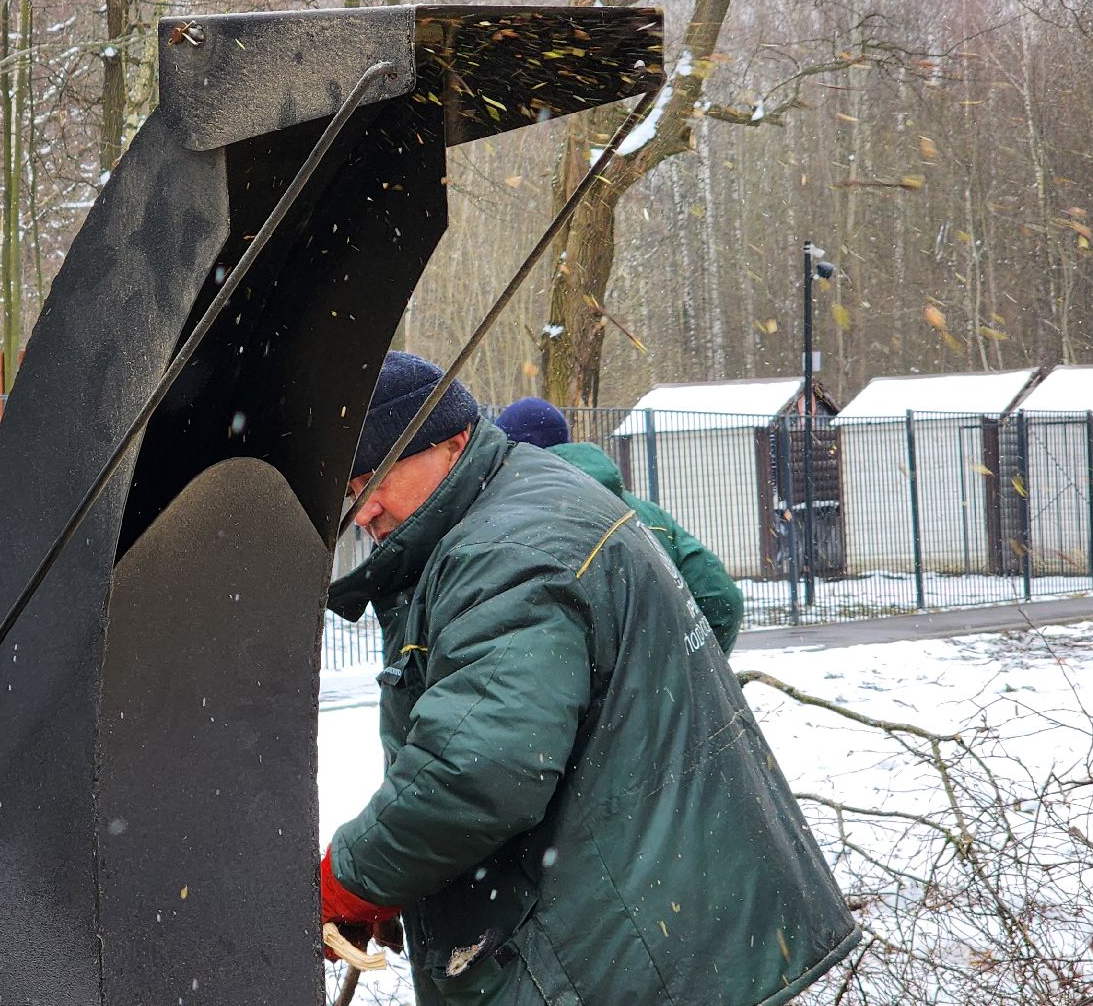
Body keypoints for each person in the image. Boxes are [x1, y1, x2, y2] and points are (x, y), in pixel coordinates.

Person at [320, 352, 857, 1005]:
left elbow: (478, 770)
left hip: (621, 948)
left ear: (453, 443)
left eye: (377, 478)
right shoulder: (517, 506)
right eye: (352, 491)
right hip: (655, 918)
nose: (365, 510)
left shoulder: (507, 552)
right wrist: (398, 875)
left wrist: (351, 878)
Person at [495, 395, 746, 653]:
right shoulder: (646, 514)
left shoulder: (525, 525)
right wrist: (687, 668)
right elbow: (722, 599)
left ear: (516, 453)